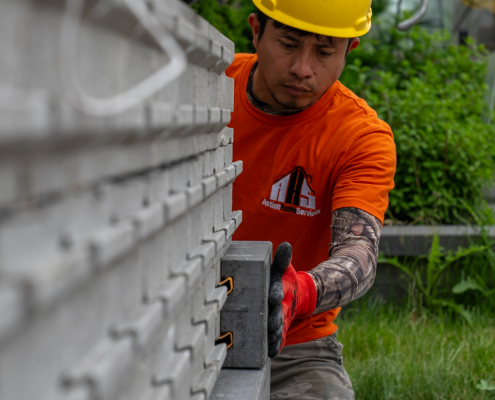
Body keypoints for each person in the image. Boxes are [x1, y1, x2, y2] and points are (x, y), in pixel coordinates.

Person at [225, 0, 396, 398]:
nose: (303, 68)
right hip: (178, 317)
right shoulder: (207, 90)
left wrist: (298, 292)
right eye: (288, 43)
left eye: (324, 52)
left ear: (349, 50)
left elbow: (360, 254)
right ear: (256, 30)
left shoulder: (360, 137)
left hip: (294, 346)